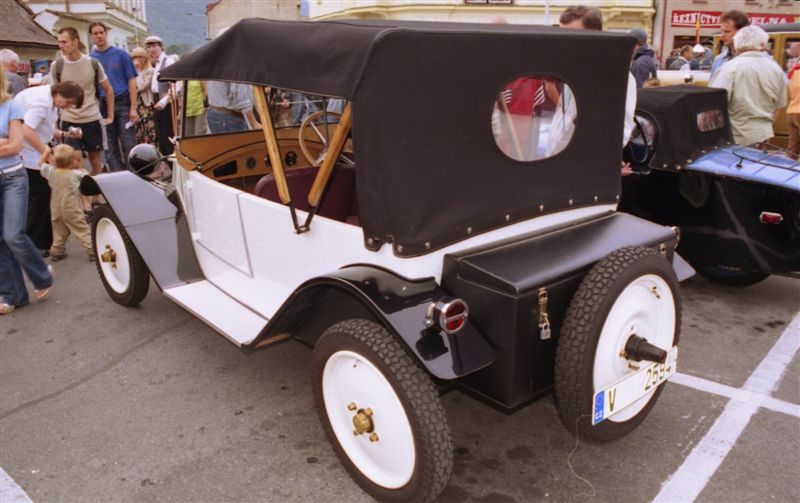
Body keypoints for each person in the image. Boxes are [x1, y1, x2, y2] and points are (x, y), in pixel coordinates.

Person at [547, 5, 637, 169]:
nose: (565, 42)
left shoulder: (617, 75)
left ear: (594, 35)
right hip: (558, 162)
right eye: (563, 34)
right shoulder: (573, 69)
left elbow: (619, 131)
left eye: (573, 36)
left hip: (585, 167)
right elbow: (565, 116)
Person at [0, 72, 55, 314]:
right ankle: (13, 295)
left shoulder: (11, 106)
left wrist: (7, 143)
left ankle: (42, 276)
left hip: (13, 177)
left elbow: (15, 146)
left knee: (13, 234)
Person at [14, 82, 85, 253]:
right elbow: (26, 130)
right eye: (68, 102)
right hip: (26, 151)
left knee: (42, 195)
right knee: (39, 196)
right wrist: (45, 152)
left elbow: (46, 129)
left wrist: (66, 134)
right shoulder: (42, 102)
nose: (67, 106)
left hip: (32, 149)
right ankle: (35, 243)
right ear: (59, 93)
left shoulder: (51, 100)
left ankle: (43, 241)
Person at [710, 25, 787, 147]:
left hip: (736, 136)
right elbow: (779, 104)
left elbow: (714, 103)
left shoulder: (729, 68)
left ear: (736, 45)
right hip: (764, 134)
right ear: (762, 45)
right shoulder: (776, 69)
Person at [53, 27, 114, 176]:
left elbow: (108, 90)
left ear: (75, 41)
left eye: (64, 42)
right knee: (75, 162)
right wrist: (55, 122)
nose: (61, 45)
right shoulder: (57, 66)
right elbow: (54, 96)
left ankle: (92, 190)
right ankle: (80, 190)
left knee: (96, 162)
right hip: (69, 119)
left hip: (92, 118)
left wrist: (110, 116)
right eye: (59, 42)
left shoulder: (93, 63)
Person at [89, 21, 138, 171]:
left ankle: (134, 175)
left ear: (106, 33)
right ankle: (118, 176)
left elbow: (132, 82)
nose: (99, 36)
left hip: (122, 101)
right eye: (95, 33)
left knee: (129, 143)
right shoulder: (90, 59)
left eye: (101, 32)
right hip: (102, 105)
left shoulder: (121, 55)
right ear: (91, 36)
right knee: (109, 147)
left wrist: (133, 108)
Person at [38, 144, 94, 261]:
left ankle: (56, 252)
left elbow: (40, 164)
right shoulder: (75, 174)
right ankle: (92, 251)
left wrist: (46, 152)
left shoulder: (52, 172)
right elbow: (88, 178)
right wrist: (83, 170)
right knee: (81, 229)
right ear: (72, 162)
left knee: (59, 232)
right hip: (70, 208)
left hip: (55, 208)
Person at [145, 36, 176, 155]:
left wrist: (165, 100)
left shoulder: (168, 62)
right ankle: (167, 158)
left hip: (167, 102)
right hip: (157, 98)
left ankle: (172, 158)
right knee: (161, 134)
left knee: (168, 133)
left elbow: (176, 85)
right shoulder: (157, 63)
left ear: (161, 47)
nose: (151, 49)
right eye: (149, 47)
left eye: (154, 46)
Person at [710, 10, 750, 80]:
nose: (722, 36)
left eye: (727, 31)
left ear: (742, 32)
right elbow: (713, 84)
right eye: (722, 31)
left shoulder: (760, 59)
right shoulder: (719, 59)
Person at [130, 47, 157, 146]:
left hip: (146, 104)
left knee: (149, 128)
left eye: (139, 57)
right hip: (136, 104)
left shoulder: (150, 71)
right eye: (134, 58)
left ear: (145, 58)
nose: (137, 60)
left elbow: (143, 86)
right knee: (139, 129)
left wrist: (137, 71)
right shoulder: (132, 72)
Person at [787, 60, 800, 158]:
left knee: (793, 149)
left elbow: (788, 93)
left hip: (791, 111)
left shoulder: (794, 72)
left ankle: (788, 165)